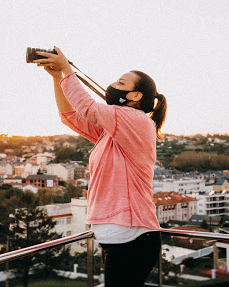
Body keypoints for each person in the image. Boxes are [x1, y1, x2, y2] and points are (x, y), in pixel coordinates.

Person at [33, 47, 167, 287]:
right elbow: (71, 115)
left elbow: (88, 108)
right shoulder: (113, 131)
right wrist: (57, 78)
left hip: (131, 235)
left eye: (121, 81)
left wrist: (66, 69)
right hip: (122, 237)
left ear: (135, 96)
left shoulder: (136, 121)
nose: (113, 84)